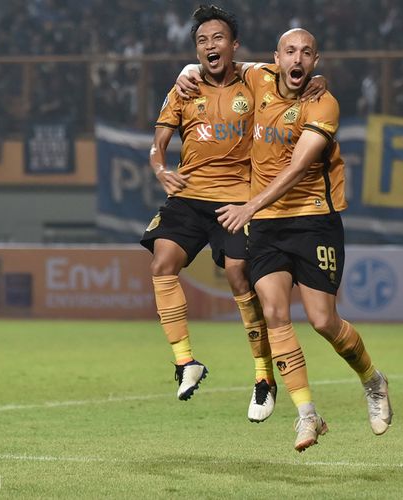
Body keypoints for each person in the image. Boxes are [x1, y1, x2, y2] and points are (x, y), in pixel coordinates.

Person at [178, 28, 392, 452]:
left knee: (322, 321)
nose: (298, 59)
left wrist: (250, 206)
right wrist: (186, 69)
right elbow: (218, 64)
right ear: (277, 57)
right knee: (275, 313)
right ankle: (307, 415)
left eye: (307, 52)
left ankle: (373, 380)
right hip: (269, 227)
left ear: (316, 60)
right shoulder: (257, 78)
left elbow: (296, 167)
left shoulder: (322, 102)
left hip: (314, 221)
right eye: (290, 51)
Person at [141, 5, 325, 422]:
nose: (211, 46)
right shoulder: (184, 88)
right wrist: (159, 170)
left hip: (238, 200)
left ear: (233, 45)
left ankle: (263, 377)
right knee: (162, 263)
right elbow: (157, 143)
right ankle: (186, 362)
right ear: (196, 48)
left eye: (218, 39)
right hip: (190, 195)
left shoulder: (254, 77)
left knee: (241, 277)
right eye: (202, 41)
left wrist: (318, 80)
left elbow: (293, 76)